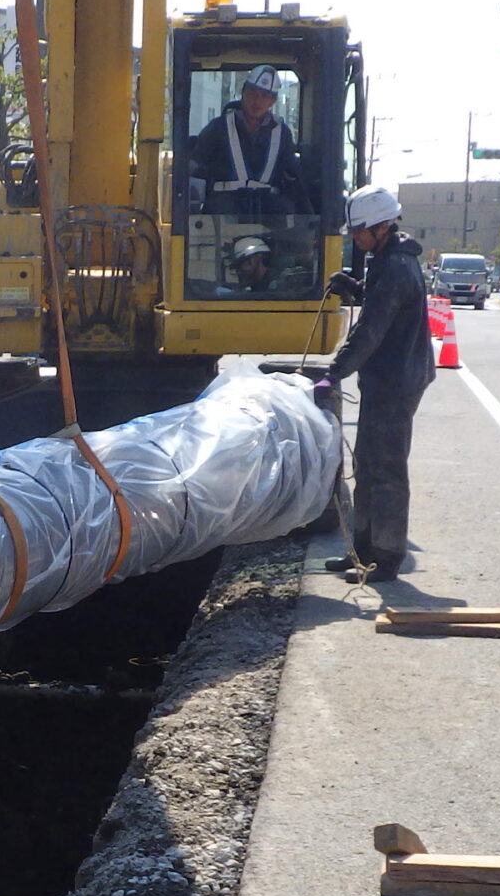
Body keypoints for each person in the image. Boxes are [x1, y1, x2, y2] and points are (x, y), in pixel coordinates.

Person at [311, 185, 433, 582]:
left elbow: (371, 331)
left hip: (397, 380)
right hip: (387, 376)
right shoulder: (386, 260)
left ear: (382, 227)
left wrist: (335, 371)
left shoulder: (395, 266)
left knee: (386, 469)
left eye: (360, 231)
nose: (355, 238)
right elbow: (382, 304)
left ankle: (386, 555)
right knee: (367, 464)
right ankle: (362, 548)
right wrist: (355, 288)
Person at [186, 65, 308, 218]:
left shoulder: (283, 134)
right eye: (252, 93)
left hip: (267, 208)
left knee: (285, 210)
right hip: (225, 206)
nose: (257, 101)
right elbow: (195, 166)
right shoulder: (218, 128)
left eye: (264, 96)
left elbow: (294, 177)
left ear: (273, 101)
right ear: (243, 93)